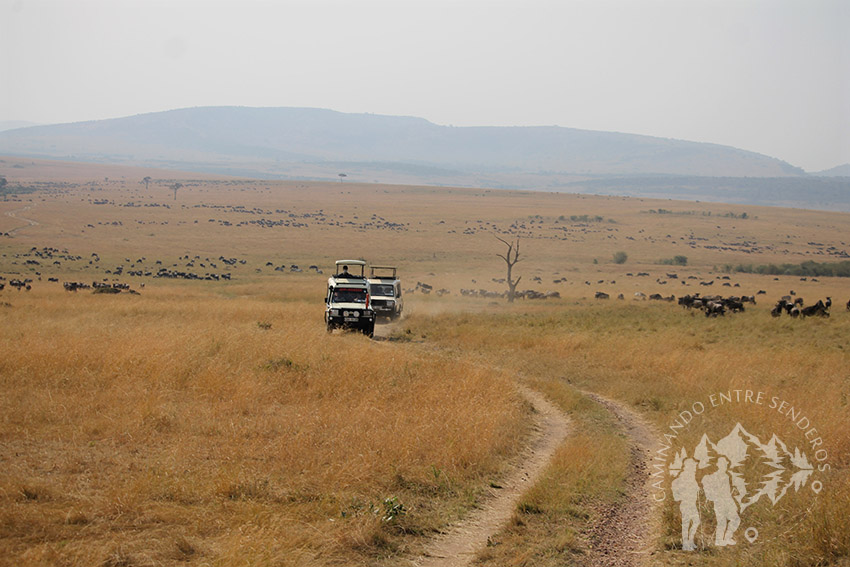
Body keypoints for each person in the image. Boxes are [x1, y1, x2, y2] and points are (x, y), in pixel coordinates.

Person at [671, 457, 701, 551]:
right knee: (686, 523)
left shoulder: (691, 477)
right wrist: (683, 496)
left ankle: (690, 541)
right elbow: (677, 491)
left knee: (696, 521)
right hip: (686, 503)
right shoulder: (684, 477)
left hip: (692, 503)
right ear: (688, 466)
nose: (695, 468)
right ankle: (685, 544)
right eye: (694, 466)